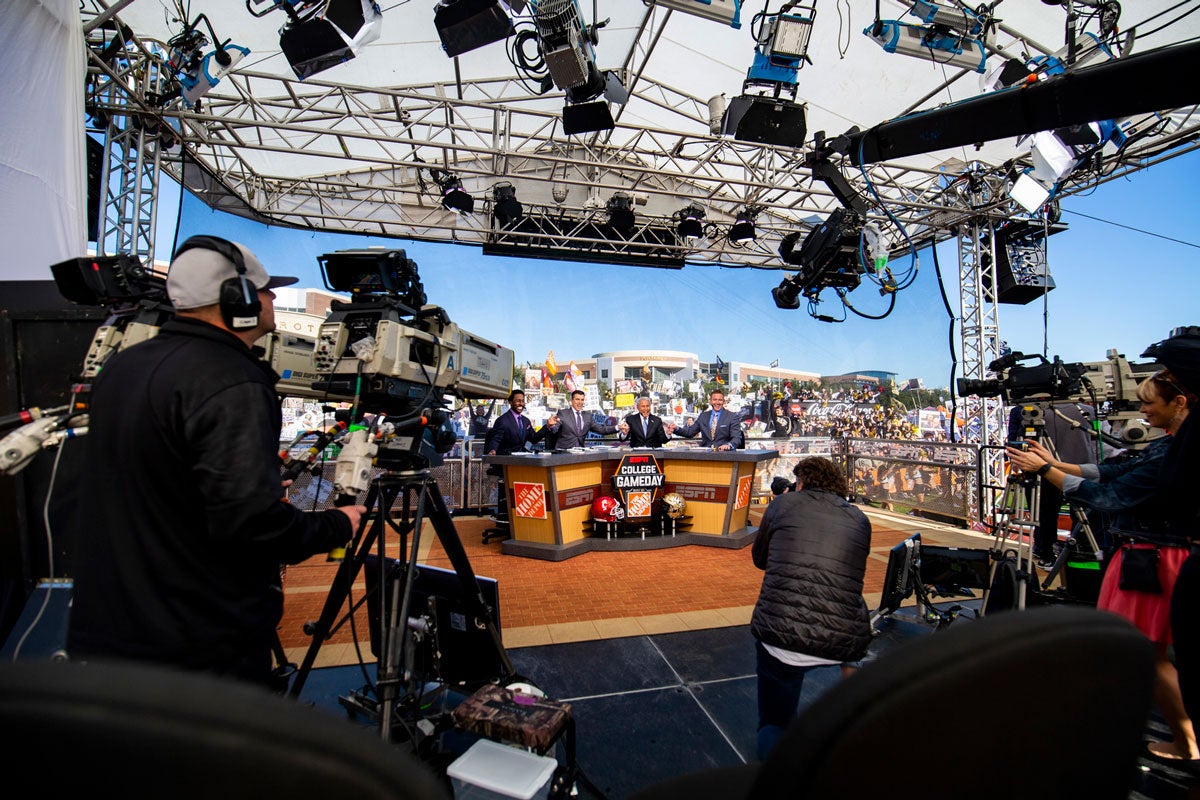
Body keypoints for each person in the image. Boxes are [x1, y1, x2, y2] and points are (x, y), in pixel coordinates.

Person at [67, 237, 367, 687]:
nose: (271, 299)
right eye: (265, 290)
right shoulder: (232, 379)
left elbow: (163, 485)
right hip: (197, 648)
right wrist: (337, 525)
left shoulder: (125, 366)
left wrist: (251, 484)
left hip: (111, 632)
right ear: (239, 299)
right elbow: (251, 525)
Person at [1006, 370, 1197, 764]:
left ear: (1180, 402)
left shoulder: (1175, 454)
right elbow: (1111, 470)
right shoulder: (1170, 448)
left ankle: (1185, 741)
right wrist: (1055, 463)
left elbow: (1106, 496)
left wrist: (1045, 471)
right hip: (1150, 556)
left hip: (1152, 560)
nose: (1141, 410)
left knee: (1148, 652)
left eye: (1149, 402)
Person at [750, 457, 872, 760]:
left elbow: (760, 559)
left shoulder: (781, 505)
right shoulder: (859, 518)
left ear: (801, 482)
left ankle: (774, 771)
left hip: (781, 636)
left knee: (773, 725)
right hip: (843, 639)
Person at [671, 389, 744, 450]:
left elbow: (737, 438)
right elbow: (690, 432)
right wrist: (676, 428)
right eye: (715, 400)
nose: (717, 402)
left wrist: (729, 445)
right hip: (706, 456)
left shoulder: (732, 417)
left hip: (724, 455)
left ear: (724, 401)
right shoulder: (703, 416)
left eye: (720, 400)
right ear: (710, 401)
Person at [545, 389, 618, 449]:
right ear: (572, 401)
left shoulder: (587, 416)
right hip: (564, 453)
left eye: (582, 400)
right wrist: (550, 425)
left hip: (580, 454)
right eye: (577, 399)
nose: (580, 402)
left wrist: (618, 427)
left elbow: (602, 430)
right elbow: (554, 430)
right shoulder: (563, 414)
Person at [485, 390, 549, 456]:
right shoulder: (502, 420)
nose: (521, 403)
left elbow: (534, 438)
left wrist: (547, 426)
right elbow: (496, 439)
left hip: (522, 461)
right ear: (510, 402)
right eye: (518, 401)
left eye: (523, 401)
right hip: (507, 460)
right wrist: (492, 450)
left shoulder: (526, 421)